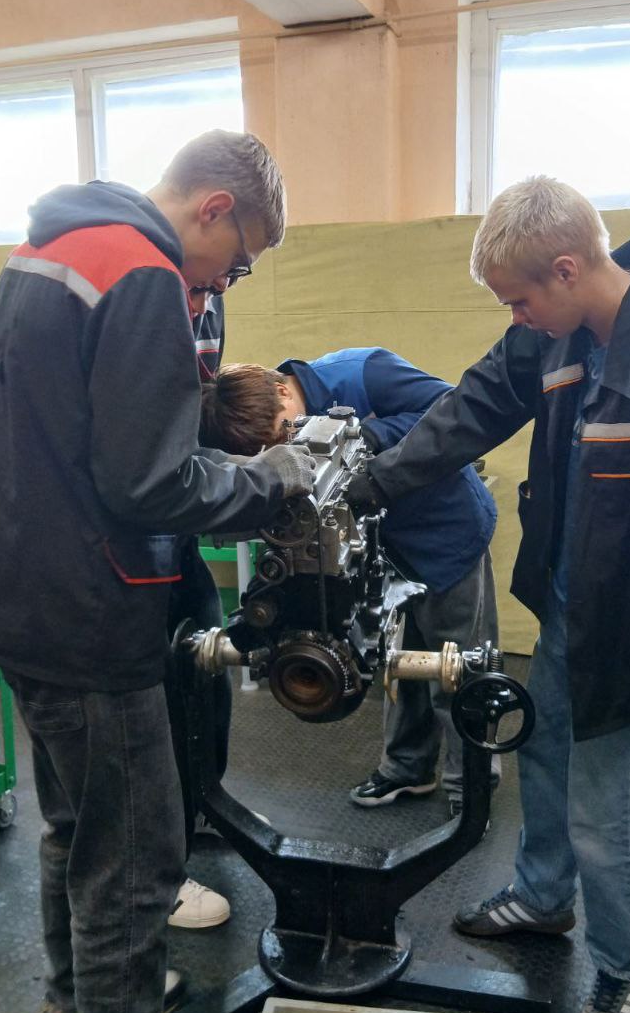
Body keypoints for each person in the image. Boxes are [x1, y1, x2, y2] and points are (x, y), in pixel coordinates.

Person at [0, 130, 316, 1013]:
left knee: (75, 827)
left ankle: (74, 1011)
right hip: (89, 611)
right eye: (236, 260)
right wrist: (270, 482)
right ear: (215, 207)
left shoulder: (55, 246)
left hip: (17, 594)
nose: (224, 282)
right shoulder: (141, 272)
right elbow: (148, 483)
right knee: (133, 868)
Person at [345, 177, 630, 1013]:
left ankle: (624, 966)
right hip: (570, 606)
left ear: (567, 270)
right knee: (544, 753)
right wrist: (367, 487)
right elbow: (468, 409)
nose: (517, 317)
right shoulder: (555, 337)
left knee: (613, 804)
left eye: (519, 300)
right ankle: (543, 898)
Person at [199, 348, 501, 817]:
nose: (283, 447)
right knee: (399, 659)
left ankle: (472, 785)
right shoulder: (274, 411)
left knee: (457, 663)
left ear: (281, 389)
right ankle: (408, 767)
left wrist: (368, 437)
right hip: (377, 547)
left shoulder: (364, 371)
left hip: (444, 533)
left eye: (282, 433)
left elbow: (455, 414)